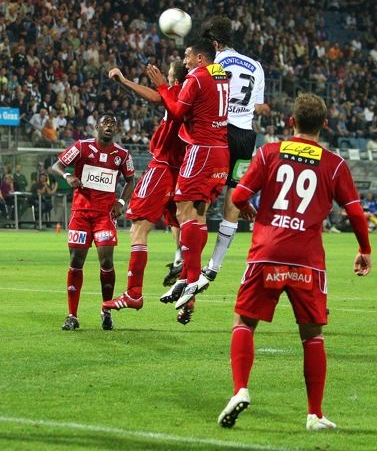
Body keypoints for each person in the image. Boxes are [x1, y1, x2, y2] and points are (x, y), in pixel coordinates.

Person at [217, 92, 371, 431]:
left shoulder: (269, 153)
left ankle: (240, 389)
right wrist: (365, 250)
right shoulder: (334, 164)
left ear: (291, 122)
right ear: (325, 125)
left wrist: (245, 208)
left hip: (267, 253)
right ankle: (314, 414)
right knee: (312, 335)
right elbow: (356, 212)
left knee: (244, 323)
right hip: (307, 260)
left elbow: (240, 195)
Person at [147, 39, 231, 317]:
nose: (184, 62)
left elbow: (178, 111)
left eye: (186, 57)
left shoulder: (196, 76)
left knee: (183, 209)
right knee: (197, 213)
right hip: (222, 151)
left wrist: (163, 86)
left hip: (202, 150)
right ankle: (187, 275)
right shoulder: (221, 74)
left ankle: (192, 276)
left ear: (199, 57)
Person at [101, 60, 188, 319]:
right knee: (179, 224)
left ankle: (134, 292)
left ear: (174, 78)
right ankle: (186, 290)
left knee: (139, 227)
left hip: (164, 165)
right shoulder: (199, 94)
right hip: (183, 167)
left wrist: (124, 81)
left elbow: (154, 96)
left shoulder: (179, 90)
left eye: (171, 73)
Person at [52, 112, 135, 331]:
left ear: (116, 130)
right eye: (105, 122)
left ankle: (106, 310)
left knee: (106, 261)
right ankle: (72, 315)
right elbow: (56, 166)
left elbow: (130, 180)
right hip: (81, 213)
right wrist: (67, 176)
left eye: (113, 123)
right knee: (76, 260)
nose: (109, 125)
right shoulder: (81, 147)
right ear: (97, 127)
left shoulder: (122, 155)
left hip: (105, 215)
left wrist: (121, 201)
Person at [199, 16, 266, 284]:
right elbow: (258, 106)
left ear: (214, 43)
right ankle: (214, 265)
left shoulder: (216, 63)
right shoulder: (256, 65)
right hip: (246, 136)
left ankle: (189, 258)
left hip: (220, 131)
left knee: (201, 196)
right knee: (233, 200)